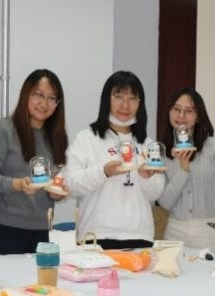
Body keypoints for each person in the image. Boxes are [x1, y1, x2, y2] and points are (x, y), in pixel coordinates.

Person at [65, 71, 165, 249]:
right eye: (118, 97)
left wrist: (145, 177)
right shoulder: (86, 138)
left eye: (132, 98)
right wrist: (103, 172)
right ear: (107, 99)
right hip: (96, 236)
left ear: (140, 103)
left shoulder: (149, 144)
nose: (125, 105)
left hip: (140, 236)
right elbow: (70, 184)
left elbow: (156, 193)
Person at [0, 69, 69, 255]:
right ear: (26, 94)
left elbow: (54, 180)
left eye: (52, 98)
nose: (44, 103)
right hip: (3, 227)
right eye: (38, 95)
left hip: (42, 228)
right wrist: (18, 184)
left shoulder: (57, 137)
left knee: (42, 276)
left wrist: (57, 193)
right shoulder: (2, 129)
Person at [157, 88, 215, 249]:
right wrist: (184, 170)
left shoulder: (214, 147)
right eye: (176, 109)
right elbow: (164, 202)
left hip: (210, 228)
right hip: (175, 229)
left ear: (198, 116)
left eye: (189, 111)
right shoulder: (161, 151)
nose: (181, 115)